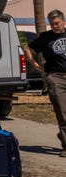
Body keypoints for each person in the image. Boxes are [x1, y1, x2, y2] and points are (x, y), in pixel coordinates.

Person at [23, 9, 66, 157]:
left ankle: (63, 134)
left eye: (57, 23)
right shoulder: (45, 37)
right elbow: (27, 47)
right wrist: (34, 64)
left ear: (63, 21)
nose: (55, 26)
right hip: (56, 77)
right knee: (62, 112)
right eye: (52, 24)